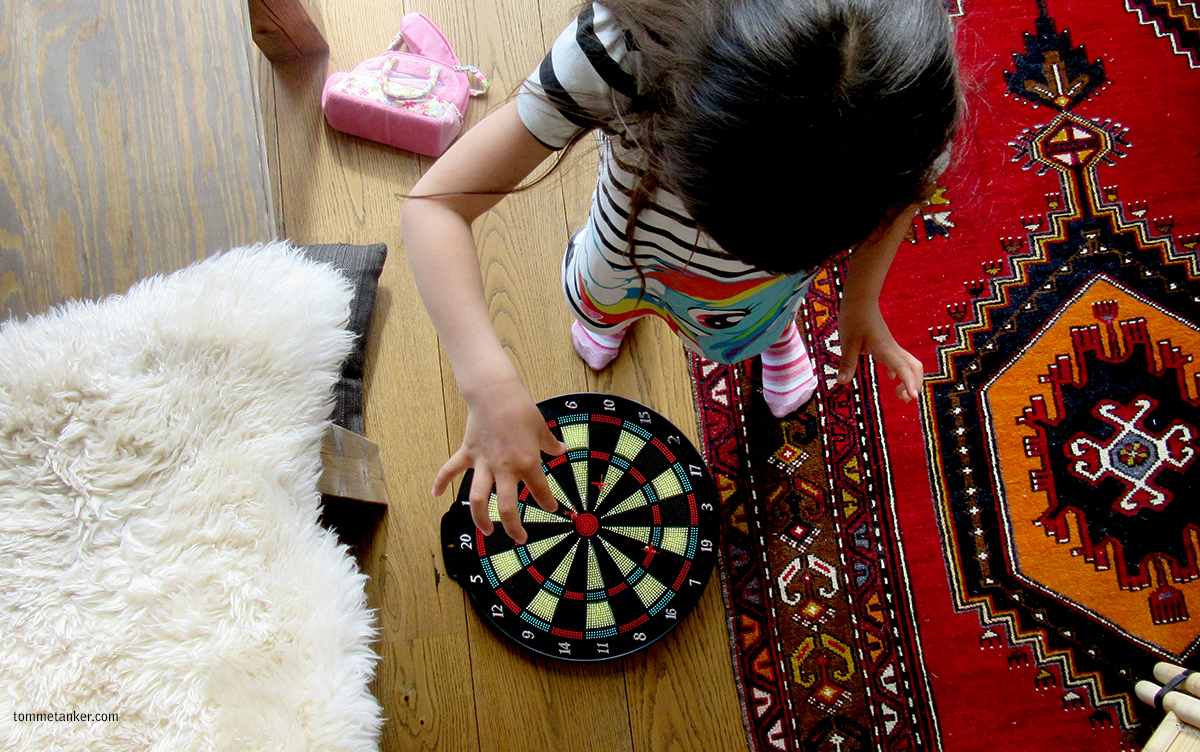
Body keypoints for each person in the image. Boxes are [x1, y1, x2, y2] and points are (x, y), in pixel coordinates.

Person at [402, 0, 962, 544]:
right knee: (600, 296)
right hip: (627, 249)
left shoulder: (908, 111)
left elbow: (900, 205)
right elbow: (435, 207)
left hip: (751, 297)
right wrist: (488, 384)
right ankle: (617, 319)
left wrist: (860, 299)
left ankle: (773, 334)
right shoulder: (621, 52)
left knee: (747, 326)